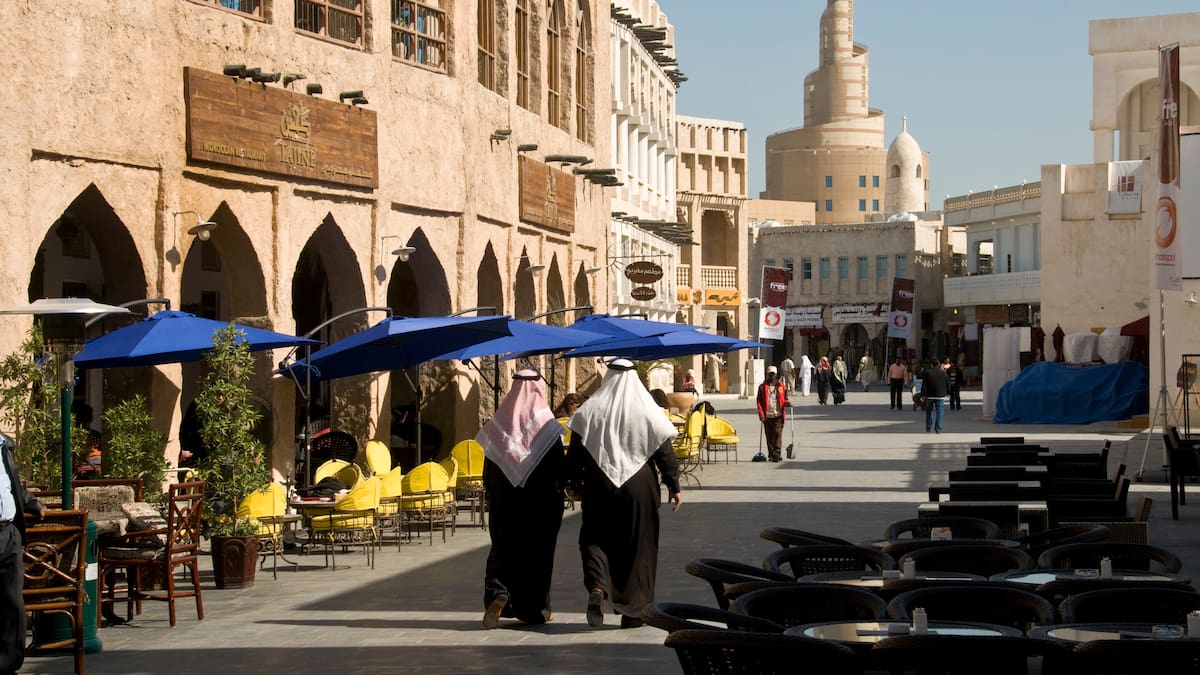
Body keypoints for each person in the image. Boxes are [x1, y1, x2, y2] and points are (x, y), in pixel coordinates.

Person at [566, 359, 681, 628]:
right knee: (639, 544)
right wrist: (673, 485)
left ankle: (598, 586)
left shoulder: (589, 410)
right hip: (639, 486)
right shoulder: (647, 409)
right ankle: (634, 611)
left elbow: (574, 454)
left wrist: (573, 482)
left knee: (595, 536)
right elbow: (665, 452)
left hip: (599, 483)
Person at [478, 370, 567, 628]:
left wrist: (492, 494)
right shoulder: (549, 428)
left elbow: (489, 468)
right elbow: (558, 469)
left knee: (502, 549)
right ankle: (535, 608)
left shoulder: (498, 424)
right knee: (537, 554)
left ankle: (498, 596)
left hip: (505, 503)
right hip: (541, 505)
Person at [1, 432, 46, 674]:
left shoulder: (3, 444)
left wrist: (31, 502)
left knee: (12, 602)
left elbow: (10, 484)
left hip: (8, 532)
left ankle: (9, 663)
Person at [756, 366, 790, 462]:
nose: (771, 376)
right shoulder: (762, 387)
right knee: (769, 435)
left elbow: (785, 398)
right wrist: (761, 414)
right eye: (770, 374)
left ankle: (777, 453)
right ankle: (771, 454)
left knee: (777, 434)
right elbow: (759, 402)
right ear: (767, 374)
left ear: (776, 375)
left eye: (773, 374)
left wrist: (787, 403)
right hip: (767, 415)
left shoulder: (781, 386)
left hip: (778, 414)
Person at [921, 360, 950, 433]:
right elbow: (948, 384)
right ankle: (938, 429)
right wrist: (948, 393)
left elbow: (924, 384)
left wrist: (922, 394)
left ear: (931, 365)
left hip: (929, 395)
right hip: (940, 395)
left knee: (929, 412)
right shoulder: (943, 373)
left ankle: (928, 427)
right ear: (939, 365)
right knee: (940, 412)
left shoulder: (927, 372)